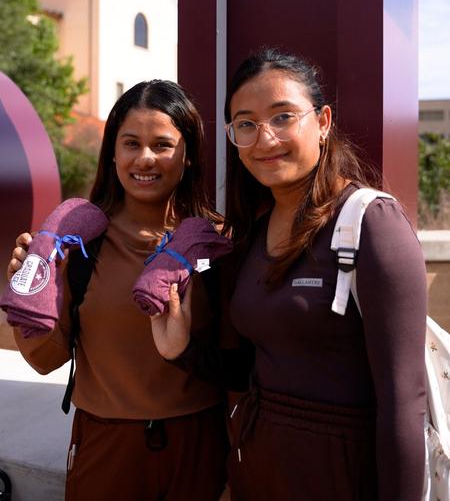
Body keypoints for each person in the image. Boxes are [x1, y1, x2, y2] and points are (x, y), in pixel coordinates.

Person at [150, 48, 428, 501]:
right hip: (258, 475)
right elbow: (251, 369)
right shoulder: (250, 235)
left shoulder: (370, 223)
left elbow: (403, 404)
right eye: (246, 124)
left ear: (322, 122)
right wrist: (181, 350)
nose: (265, 139)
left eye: (283, 117)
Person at [6, 80, 230, 501]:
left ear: (188, 155)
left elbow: (239, 363)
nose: (145, 157)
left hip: (200, 445)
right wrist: (30, 294)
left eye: (162, 144)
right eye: (131, 143)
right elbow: (45, 361)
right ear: (113, 153)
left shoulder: (215, 244)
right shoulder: (78, 243)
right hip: (105, 449)